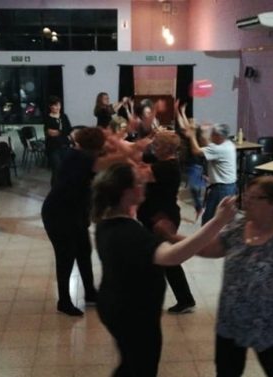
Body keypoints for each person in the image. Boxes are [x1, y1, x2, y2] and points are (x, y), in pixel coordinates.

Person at [92, 162, 237, 377]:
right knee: (141, 367)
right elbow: (174, 256)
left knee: (130, 364)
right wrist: (218, 221)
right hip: (133, 314)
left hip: (116, 304)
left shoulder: (106, 221)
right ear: (126, 192)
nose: (144, 186)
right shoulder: (129, 233)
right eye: (139, 183)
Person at [198, 176, 273, 377]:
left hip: (270, 325)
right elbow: (212, 249)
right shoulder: (238, 227)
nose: (246, 201)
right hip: (231, 322)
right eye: (246, 195)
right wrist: (174, 241)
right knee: (226, 373)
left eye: (254, 197)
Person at [41, 127, 105, 316]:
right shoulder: (81, 157)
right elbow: (107, 164)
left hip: (74, 211)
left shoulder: (80, 155)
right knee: (66, 257)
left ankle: (90, 293)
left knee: (84, 251)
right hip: (58, 213)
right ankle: (64, 301)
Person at [136, 132, 196, 314]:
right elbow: (144, 158)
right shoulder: (163, 162)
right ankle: (185, 299)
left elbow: (138, 174)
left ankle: (160, 300)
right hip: (158, 216)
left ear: (166, 148)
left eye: (157, 144)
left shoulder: (167, 167)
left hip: (162, 219)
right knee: (165, 259)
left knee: (160, 260)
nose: (153, 147)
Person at [184, 122, 236, 225]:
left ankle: (206, 240)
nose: (210, 136)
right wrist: (202, 132)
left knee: (210, 220)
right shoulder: (227, 143)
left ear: (219, 136)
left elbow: (196, 151)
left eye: (212, 134)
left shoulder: (219, 149)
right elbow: (207, 145)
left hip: (221, 188)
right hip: (228, 186)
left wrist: (192, 136)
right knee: (222, 219)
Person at [175, 100, 205, 220]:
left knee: (194, 186)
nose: (191, 121)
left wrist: (178, 111)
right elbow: (184, 124)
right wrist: (181, 111)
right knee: (195, 186)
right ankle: (200, 206)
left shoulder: (193, 134)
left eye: (192, 121)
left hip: (195, 164)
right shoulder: (191, 133)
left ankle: (200, 208)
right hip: (190, 164)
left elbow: (184, 125)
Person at [43, 96, 72, 186]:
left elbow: (69, 129)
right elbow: (49, 133)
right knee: (56, 169)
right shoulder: (47, 118)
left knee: (65, 169)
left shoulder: (64, 116)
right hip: (53, 148)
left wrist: (58, 132)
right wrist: (62, 132)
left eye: (58, 105)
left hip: (65, 146)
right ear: (50, 106)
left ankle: (63, 188)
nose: (57, 107)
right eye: (55, 105)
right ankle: (55, 190)